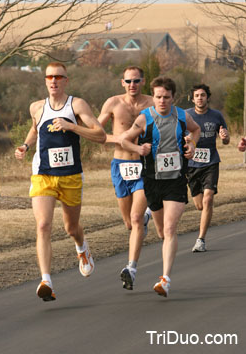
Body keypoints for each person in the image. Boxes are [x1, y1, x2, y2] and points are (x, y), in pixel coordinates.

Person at [15, 62, 106, 302]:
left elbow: (100, 135)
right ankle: (46, 280)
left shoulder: (76, 105)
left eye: (58, 77)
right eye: (49, 77)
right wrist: (25, 145)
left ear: (66, 80)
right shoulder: (36, 107)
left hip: (71, 176)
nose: (53, 81)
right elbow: (35, 130)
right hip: (43, 174)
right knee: (43, 225)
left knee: (71, 228)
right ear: (45, 81)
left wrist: (72, 126)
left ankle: (81, 248)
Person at [121, 76, 200, 297]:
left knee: (169, 228)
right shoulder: (144, 118)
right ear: (153, 98)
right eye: (158, 97)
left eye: (166, 97)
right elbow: (124, 140)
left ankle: (165, 279)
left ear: (173, 97)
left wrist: (192, 145)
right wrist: (138, 150)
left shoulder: (183, 116)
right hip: (152, 180)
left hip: (175, 180)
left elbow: (196, 131)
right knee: (160, 232)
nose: (162, 101)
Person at [98, 66, 153, 290]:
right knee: (129, 223)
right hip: (120, 165)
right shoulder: (112, 103)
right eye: (129, 81)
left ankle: (131, 268)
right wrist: (119, 139)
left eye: (137, 81)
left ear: (143, 81)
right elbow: (96, 132)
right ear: (122, 82)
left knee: (137, 217)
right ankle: (143, 221)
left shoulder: (152, 103)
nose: (133, 85)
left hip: (144, 165)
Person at [186, 84, 230, 253]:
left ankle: (201, 239)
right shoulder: (186, 115)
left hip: (211, 162)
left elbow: (225, 139)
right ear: (192, 99)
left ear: (207, 97)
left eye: (203, 95)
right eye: (196, 95)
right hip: (191, 165)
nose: (200, 98)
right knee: (199, 205)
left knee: (208, 198)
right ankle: (206, 215)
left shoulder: (216, 116)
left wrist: (225, 137)